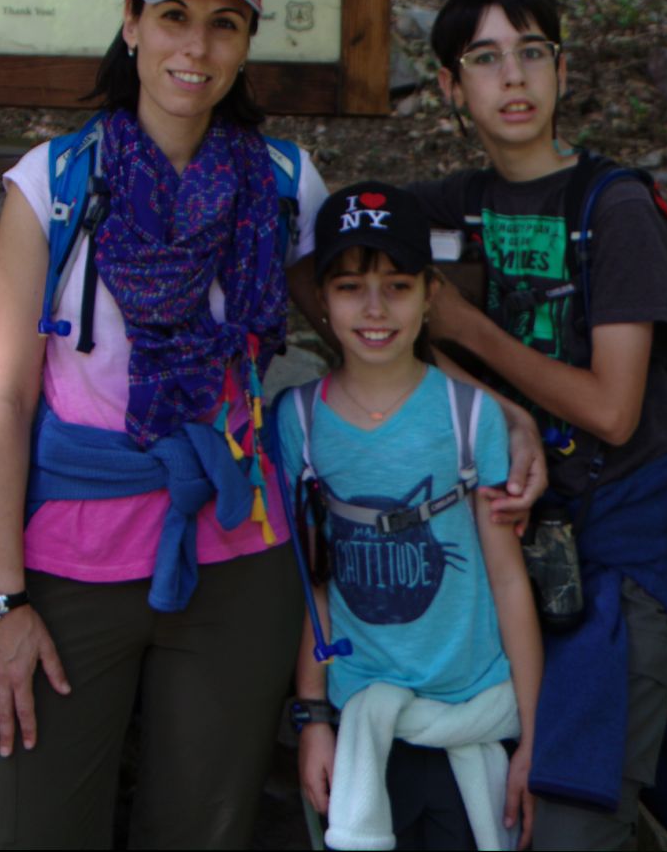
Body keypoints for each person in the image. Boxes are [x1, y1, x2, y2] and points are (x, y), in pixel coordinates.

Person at [0, 0, 544, 852]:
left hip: (238, 553)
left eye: (225, 24)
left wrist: (500, 411)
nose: (197, 47)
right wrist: (2, 599)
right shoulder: (56, 185)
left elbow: (370, 324)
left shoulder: (278, 183)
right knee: (29, 826)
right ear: (132, 21)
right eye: (175, 16)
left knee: (202, 828)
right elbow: (3, 400)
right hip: (73, 557)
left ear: (247, 41)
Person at [415, 0, 667, 852]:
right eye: (485, 58)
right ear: (449, 84)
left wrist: (470, 326)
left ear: (561, 68)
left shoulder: (613, 208)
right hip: (516, 558)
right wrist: (486, 395)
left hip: (628, 557)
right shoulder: (452, 206)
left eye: (532, 53)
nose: (513, 78)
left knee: (574, 824)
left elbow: (613, 409)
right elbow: (339, 282)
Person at [276, 180, 542, 852]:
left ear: (430, 294)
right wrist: (312, 717)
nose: (375, 308)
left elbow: (509, 582)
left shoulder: (469, 416)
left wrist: (535, 739)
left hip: (472, 716)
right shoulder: (299, 422)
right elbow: (315, 584)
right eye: (349, 287)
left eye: (397, 285)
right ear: (323, 299)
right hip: (362, 721)